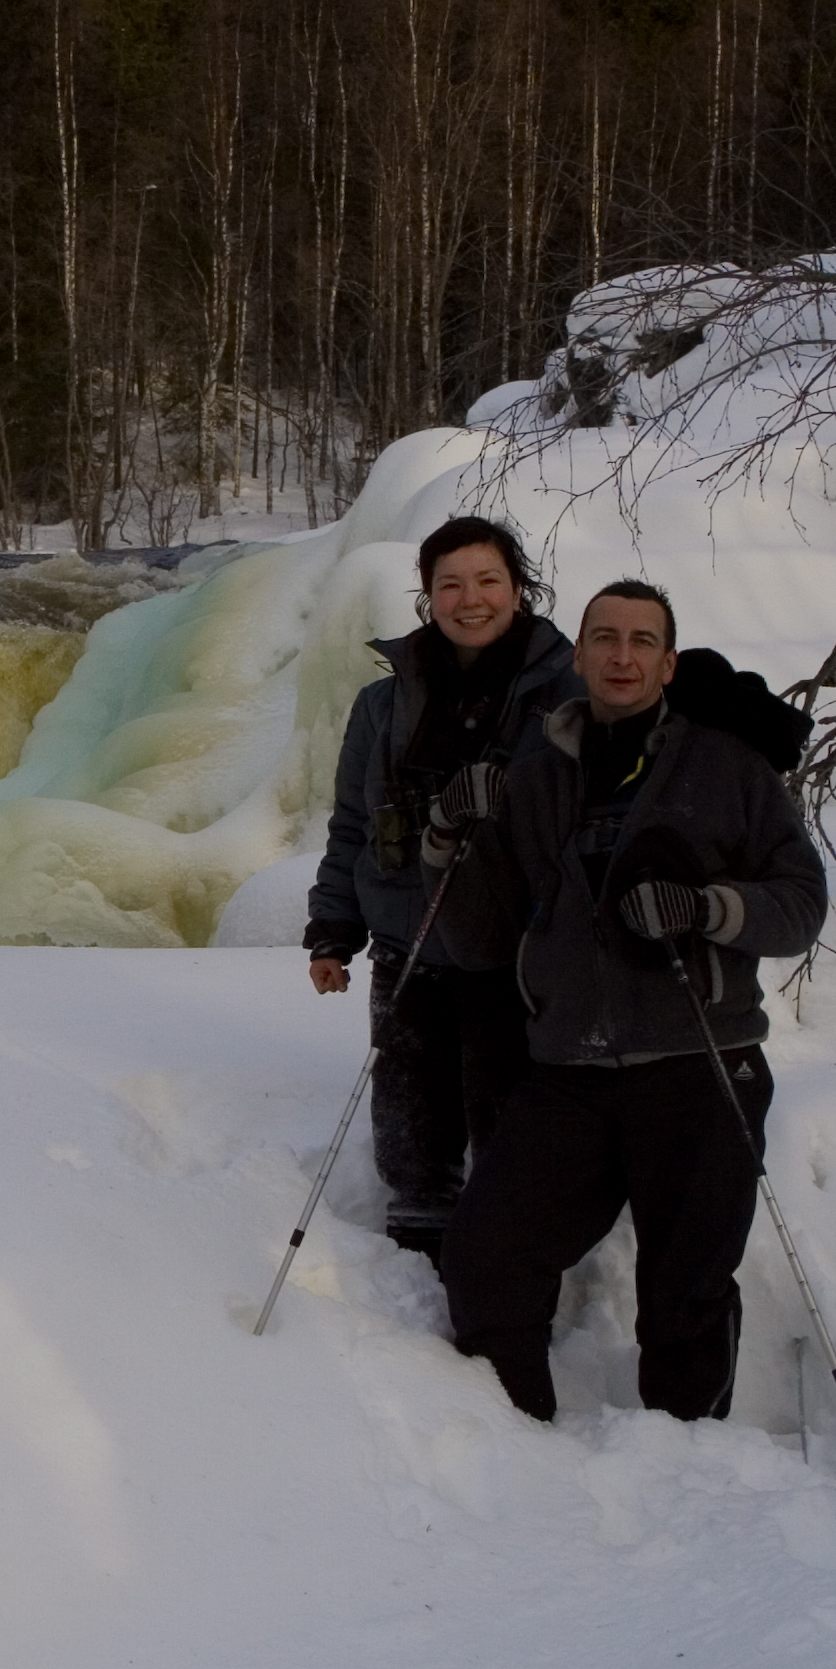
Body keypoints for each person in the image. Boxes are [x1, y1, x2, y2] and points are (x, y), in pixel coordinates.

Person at [424, 580, 828, 1423]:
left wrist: (706, 909)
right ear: (577, 656)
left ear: (668, 662)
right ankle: (512, 1436)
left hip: (700, 1062)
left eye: (642, 641)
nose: (620, 655)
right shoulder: (537, 774)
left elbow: (799, 905)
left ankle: (686, 1462)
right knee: (486, 1256)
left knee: (686, 1291)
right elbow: (480, 938)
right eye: (604, 638)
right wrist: (445, 839)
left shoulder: (725, 766)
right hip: (569, 1069)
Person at [304, 517, 578, 1263]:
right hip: (405, 936)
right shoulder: (381, 704)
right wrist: (332, 929)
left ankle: (505, 1271)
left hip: (512, 948)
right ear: (427, 597)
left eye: (487, 581)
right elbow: (354, 823)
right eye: (449, 584)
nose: (470, 598)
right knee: (412, 1128)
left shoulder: (567, 693)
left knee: (509, 1127)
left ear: (517, 590)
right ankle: (415, 1263)